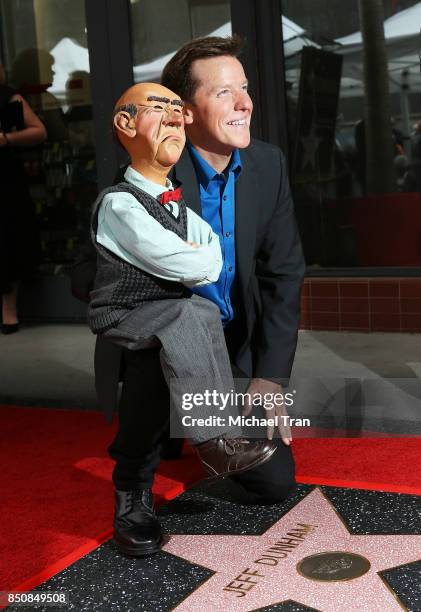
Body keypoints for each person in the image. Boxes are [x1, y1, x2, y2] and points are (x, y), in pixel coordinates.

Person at [92, 35, 305, 557]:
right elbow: (97, 270)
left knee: (274, 483)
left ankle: (206, 426)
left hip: (228, 346)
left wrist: (270, 375)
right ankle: (133, 486)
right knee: (173, 324)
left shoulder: (268, 164)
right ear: (184, 112)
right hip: (160, 337)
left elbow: (283, 273)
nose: (245, 103)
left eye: (246, 90)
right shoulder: (146, 170)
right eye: (225, 92)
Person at [0, 81, 47, 334]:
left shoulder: (8, 97)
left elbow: (39, 131)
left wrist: (6, 139)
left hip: (5, 181)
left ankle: (9, 314)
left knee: (8, 242)